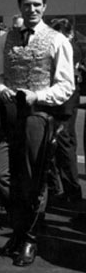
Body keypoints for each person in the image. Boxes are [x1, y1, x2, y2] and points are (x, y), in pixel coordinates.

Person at [0, 0, 74, 267]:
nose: (32, 9)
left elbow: (66, 86)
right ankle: (20, 226)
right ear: (20, 6)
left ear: (45, 7)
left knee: (32, 181)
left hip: (38, 115)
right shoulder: (5, 38)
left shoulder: (57, 40)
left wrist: (39, 95)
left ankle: (27, 238)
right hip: (9, 113)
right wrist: (1, 90)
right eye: (27, 4)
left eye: (37, 5)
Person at [48, 18, 82, 204]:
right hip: (60, 104)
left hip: (64, 106)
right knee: (60, 147)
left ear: (69, 34)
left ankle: (71, 192)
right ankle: (60, 189)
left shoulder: (69, 50)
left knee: (63, 145)